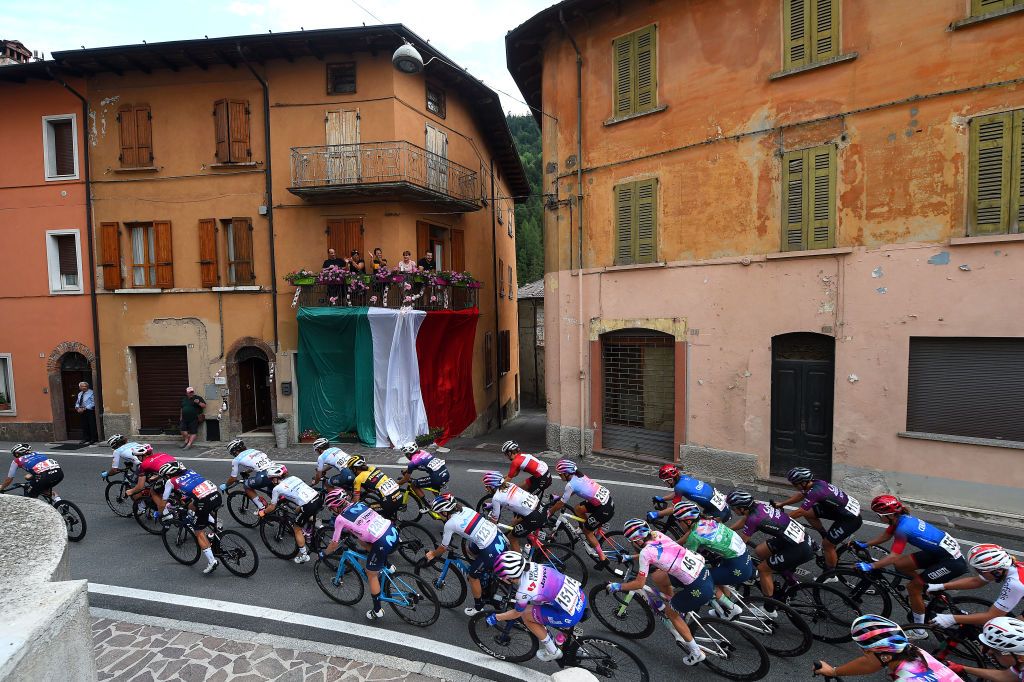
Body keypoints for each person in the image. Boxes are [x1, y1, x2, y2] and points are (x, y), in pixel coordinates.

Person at [856, 494, 967, 638]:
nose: (878, 518)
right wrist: (866, 544)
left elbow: (893, 555)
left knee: (912, 587)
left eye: (879, 515)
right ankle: (928, 589)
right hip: (940, 553)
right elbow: (886, 536)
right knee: (901, 564)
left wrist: (871, 566)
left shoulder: (903, 528)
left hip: (952, 562)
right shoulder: (900, 519)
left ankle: (919, 631)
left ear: (889, 515)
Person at [606, 519, 710, 665]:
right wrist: (630, 557)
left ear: (637, 540)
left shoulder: (645, 553)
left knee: (670, 613)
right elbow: (653, 552)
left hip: (697, 586)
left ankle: (696, 652)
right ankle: (675, 603)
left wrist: (618, 586)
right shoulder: (657, 534)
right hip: (702, 573)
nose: (631, 544)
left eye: (631, 541)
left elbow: (639, 583)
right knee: (659, 577)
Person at [420, 493, 510, 616]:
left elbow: (442, 548)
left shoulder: (450, 524)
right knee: (470, 549)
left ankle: (478, 608)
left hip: (490, 550)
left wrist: (432, 554)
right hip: (498, 538)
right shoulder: (466, 509)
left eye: (439, 513)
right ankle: (487, 571)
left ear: (445, 512)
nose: (439, 516)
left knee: (472, 576)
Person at [489, 551, 586, 662]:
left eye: (502, 577)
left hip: (569, 614)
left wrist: (496, 617)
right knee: (540, 606)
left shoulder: (523, 592)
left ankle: (552, 651)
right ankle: (563, 637)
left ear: (509, 577)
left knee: (526, 615)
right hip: (580, 596)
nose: (501, 579)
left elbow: (517, 613)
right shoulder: (534, 565)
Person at [320, 488, 399, 621]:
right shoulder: (359, 504)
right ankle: (389, 566)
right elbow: (362, 525)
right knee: (361, 541)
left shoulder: (340, 519)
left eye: (330, 508)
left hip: (382, 542)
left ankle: (377, 610)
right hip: (392, 531)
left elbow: (334, 544)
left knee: (371, 574)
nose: (331, 511)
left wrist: (324, 553)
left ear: (336, 506)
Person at [727, 490, 814, 602]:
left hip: (799, 548)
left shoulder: (754, 519)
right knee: (760, 551)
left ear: (742, 508)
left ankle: (769, 607)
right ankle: (790, 580)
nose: (732, 510)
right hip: (795, 539)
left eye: (733, 507)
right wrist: (728, 530)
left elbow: (741, 542)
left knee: (763, 569)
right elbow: (745, 520)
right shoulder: (759, 507)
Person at [813, 614, 962, 680]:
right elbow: (870, 663)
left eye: (865, 651)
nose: (863, 653)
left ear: (886, 656)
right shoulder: (913, 651)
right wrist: (834, 671)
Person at [674, 501, 753, 620]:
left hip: (737, 566)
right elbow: (689, 536)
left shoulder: (694, 536)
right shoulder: (709, 520)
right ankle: (725, 605)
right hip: (742, 557)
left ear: (688, 521)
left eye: (679, 521)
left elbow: (688, 559)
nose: (679, 524)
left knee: (705, 579)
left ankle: (732, 608)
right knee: (716, 576)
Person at [774, 467, 863, 572]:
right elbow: (801, 495)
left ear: (803, 482)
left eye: (794, 484)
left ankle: (831, 573)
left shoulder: (816, 491)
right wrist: (783, 503)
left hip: (850, 519)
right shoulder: (817, 483)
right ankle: (825, 535)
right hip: (840, 510)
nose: (794, 486)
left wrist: (780, 519)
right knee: (809, 513)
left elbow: (800, 511)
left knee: (827, 545)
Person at [925, 543, 1024, 630]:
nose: (978, 573)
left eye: (979, 570)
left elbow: (991, 616)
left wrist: (952, 619)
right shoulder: (1011, 565)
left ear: (996, 572)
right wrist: (941, 586)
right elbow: (976, 581)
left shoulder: (1015, 584)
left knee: (1009, 634)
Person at [546, 459, 616, 570]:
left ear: (566, 473)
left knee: (587, 532)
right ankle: (586, 526)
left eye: (560, 474)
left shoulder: (570, 484)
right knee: (578, 509)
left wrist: (550, 512)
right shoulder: (580, 475)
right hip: (604, 502)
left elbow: (561, 504)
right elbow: (571, 493)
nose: (559, 476)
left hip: (604, 509)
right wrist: (561, 497)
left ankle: (603, 559)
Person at [160, 462, 223, 574]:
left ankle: (212, 561)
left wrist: (162, 512)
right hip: (216, 496)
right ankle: (215, 523)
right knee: (191, 506)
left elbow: (163, 500)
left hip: (204, 502)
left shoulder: (171, 482)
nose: (167, 478)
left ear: (170, 475)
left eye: (166, 475)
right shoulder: (191, 471)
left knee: (198, 531)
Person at [258, 465, 323, 564]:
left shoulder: (277, 489)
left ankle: (304, 555)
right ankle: (314, 526)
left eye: (271, 479)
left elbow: (272, 507)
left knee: (297, 528)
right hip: (318, 498)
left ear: (275, 478)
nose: (271, 481)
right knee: (297, 510)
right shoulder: (294, 478)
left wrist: (263, 512)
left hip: (308, 505)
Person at [481, 471, 545, 552]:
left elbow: (494, 520)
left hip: (534, 517)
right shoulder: (510, 484)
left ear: (492, 486)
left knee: (512, 538)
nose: (486, 489)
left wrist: (487, 526)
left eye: (487, 486)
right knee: (516, 523)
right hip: (541, 507)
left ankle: (519, 563)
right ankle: (541, 551)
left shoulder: (496, 498)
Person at [949, 616, 1024, 681]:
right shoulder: (1020, 662)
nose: (989, 653)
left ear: (1021, 658)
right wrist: (962, 668)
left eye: (996, 651)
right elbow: (1007, 677)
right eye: (988, 648)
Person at [652, 464, 730, 522]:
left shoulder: (679, 487)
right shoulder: (684, 478)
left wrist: (657, 514)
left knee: (696, 534)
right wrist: (662, 499)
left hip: (718, 512)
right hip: (719, 506)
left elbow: (673, 509)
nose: (665, 484)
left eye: (665, 482)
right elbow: (677, 494)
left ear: (671, 480)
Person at [221, 438, 276, 512]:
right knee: (271, 491)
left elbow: (233, 478)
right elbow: (258, 464)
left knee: (247, 485)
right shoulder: (254, 451)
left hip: (265, 475)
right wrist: (247, 472)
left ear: (234, 451)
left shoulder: (236, 459)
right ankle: (282, 504)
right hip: (276, 470)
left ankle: (262, 508)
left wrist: (226, 485)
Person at [349, 456, 403, 520]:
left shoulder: (358, 479)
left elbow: (356, 500)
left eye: (351, 469)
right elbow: (375, 483)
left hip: (389, 503)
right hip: (400, 496)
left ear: (354, 469)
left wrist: (350, 506)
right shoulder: (373, 468)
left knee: (368, 509)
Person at [74, 381, 97, 445]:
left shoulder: (91, 392)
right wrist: (77, 407)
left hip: (89, 411)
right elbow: (78, 402)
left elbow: (93, 402)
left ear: (87, 387)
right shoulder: (80, 393)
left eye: (85, 386)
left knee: (91, 425)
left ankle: (93, 439)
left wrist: (85, 408)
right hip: (81, 411)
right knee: (84, 425)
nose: (84, 387)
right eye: (82, 386)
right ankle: (86, 438)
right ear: (80, 387)